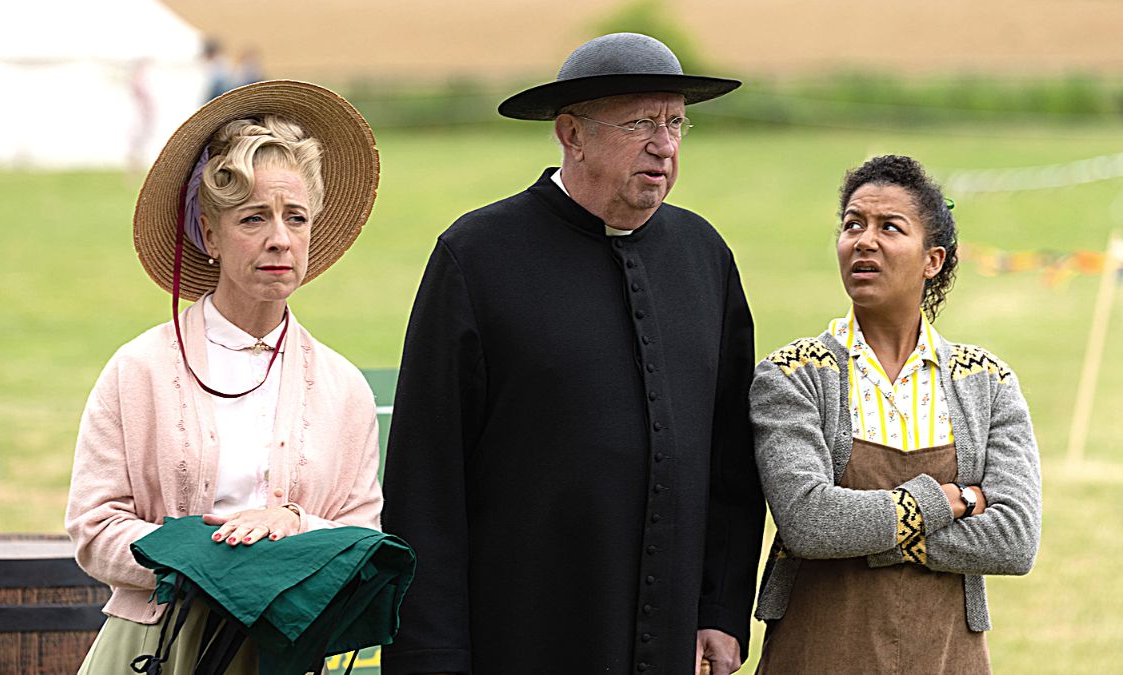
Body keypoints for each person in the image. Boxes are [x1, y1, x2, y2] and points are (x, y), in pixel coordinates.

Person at [381, 33, 766, 675]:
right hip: (520, 638)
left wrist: (720, 612)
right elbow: (426, 481)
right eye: (640, 122)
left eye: (676, 123)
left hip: (673, 643)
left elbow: (731, 464)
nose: (665, 145)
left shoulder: (705, 257)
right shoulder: (477, 256)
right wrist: (433, 655)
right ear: (571, 133)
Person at [65, 80, 382, 673]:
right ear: (210, 234)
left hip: (281, 654)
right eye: (253, 218)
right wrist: (209, 560)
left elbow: (361, 535)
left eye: (295, 217)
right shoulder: (139, 370)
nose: (279, 239)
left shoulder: (343, 389)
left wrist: (290, 523)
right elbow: (92, 526)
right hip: (152, 651)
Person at [749, 155, 1042, 673]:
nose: (864, 240)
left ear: (933, 260)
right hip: (817, 652)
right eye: (852, 224)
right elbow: (809, 523)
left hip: (948, 655)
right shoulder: (791, 375)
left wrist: (868, 533)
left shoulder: (988, 381)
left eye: (890, 227)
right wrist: (952, 500)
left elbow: (1014, 540)